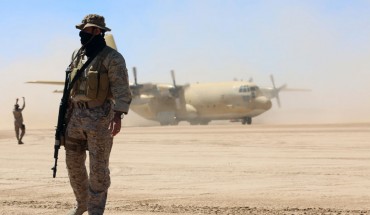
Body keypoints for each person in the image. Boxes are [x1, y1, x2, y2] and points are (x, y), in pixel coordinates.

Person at [64, 14, 132, 215]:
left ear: (97, 31)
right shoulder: (78, 54)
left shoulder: (113, 58)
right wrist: (65, 115)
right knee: (73, 164)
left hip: (100, 118)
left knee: (98, 169)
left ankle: (95, 210)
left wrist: (118, 115)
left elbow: (121, 88)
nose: (82, 34)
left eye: (86, 30)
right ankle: (82, 203)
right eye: (81, 30)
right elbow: (71, 87)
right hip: (75, 117)